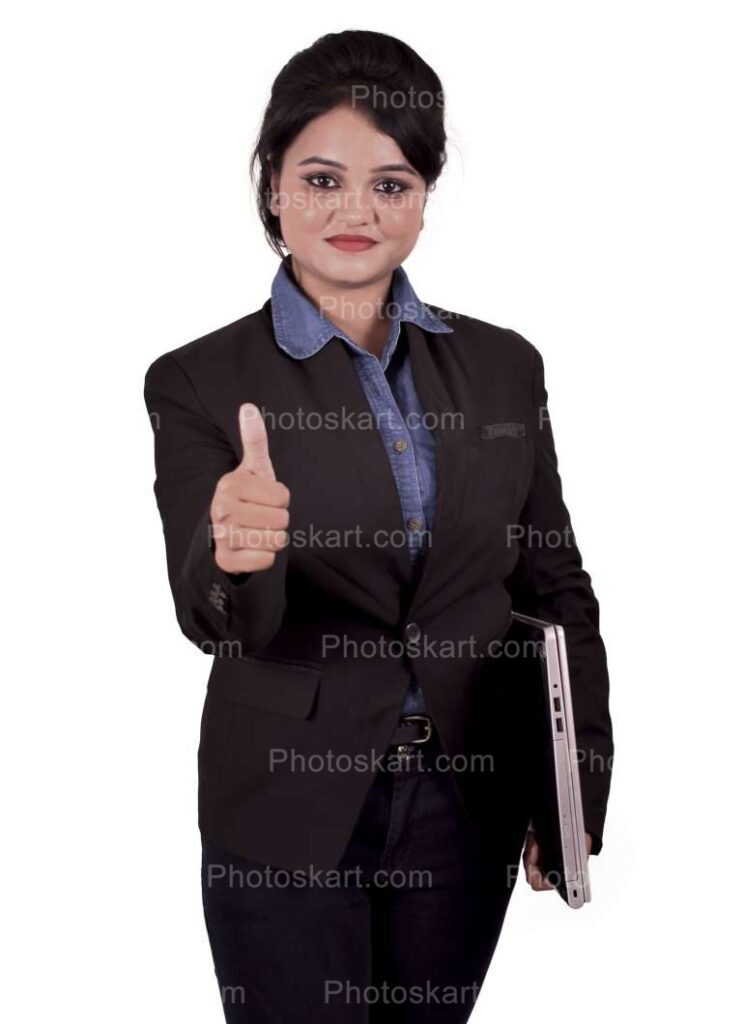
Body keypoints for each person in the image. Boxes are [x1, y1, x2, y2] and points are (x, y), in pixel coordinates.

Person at [143, 29, 613, 1024]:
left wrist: (576, 782)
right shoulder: (198, 381)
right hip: (285, 810)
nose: (356, 211)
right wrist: (236, 552)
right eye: (322, 178)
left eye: (390, 185)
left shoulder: (502, 369)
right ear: (273, 185)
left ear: (424, 200)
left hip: (464, 800)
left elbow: (555, 590)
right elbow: (218, 617)